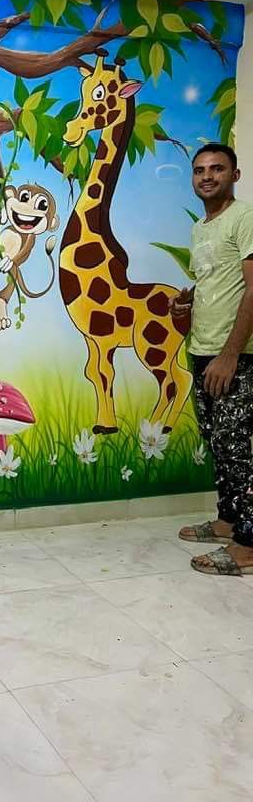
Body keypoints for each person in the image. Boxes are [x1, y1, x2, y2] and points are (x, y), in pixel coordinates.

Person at [170, 143, 253, 576]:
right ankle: (228, 520)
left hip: (232, 356)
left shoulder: (245, 218)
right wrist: (188, 306)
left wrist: (231, 354)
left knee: (240, 449)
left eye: (217, 169)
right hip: (203, 350)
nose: (207, 176)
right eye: (199, 170)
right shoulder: (202, 229)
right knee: (219, 444)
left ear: (234, 176)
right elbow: (216, 284)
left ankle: (249, 546)